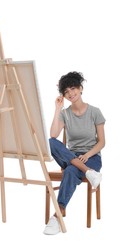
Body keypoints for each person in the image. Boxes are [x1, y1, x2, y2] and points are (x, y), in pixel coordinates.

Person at [43, 71, 106, 235]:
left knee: (71, 170)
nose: (70, 93)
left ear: (81, 88)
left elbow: (102, 142)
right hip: (71, 156)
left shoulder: (95, 112)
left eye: (73, 88)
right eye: (66, 92)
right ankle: (89, 174)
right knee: (50, 142)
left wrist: (87, 155)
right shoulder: (65, 114)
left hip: (91, 157)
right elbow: (53, 135)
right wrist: (57, 109)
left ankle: (58, 215)